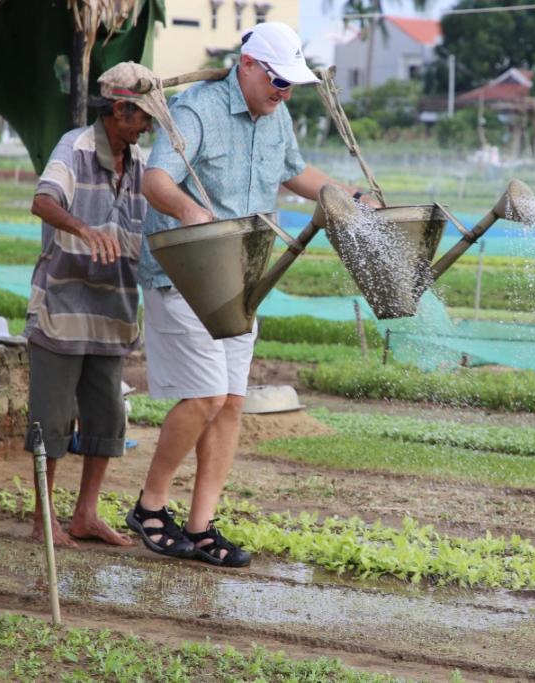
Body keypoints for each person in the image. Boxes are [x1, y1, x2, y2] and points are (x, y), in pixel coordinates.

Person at [129, 22, 380, 567]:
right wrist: (190, 210)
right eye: (278, 81)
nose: (284, 93)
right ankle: (149, 508)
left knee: (231, 403)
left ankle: (200, 527)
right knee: (205, 397)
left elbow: (294, 171)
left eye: (291, 85)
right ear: (247, 66)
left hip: (243, 275)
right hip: (186, 271)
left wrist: (350, 196)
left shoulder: (276, 115)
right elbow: (155, 180)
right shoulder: (197, 109)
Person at [25, 62, 169, 549]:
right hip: (62, 309)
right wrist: (83, 230)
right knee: (52, 419)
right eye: (143, 116)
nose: (147, 126)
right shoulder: (76, 147)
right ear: (119, 109)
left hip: (113, 312)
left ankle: (85, 514)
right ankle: (43, 519)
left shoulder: (142, 165)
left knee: (107, 418)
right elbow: (43, 201)